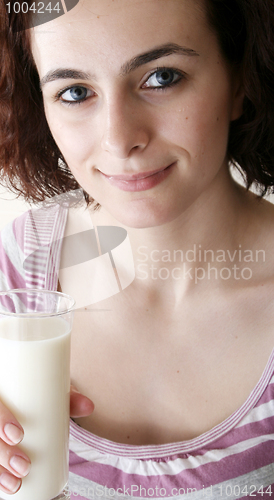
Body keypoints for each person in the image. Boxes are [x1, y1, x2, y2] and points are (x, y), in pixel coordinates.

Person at [0, 0, 274, 498]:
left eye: (162, 77)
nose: (119, 139)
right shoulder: (15, 270)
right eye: (76, 91)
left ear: (239, 80)